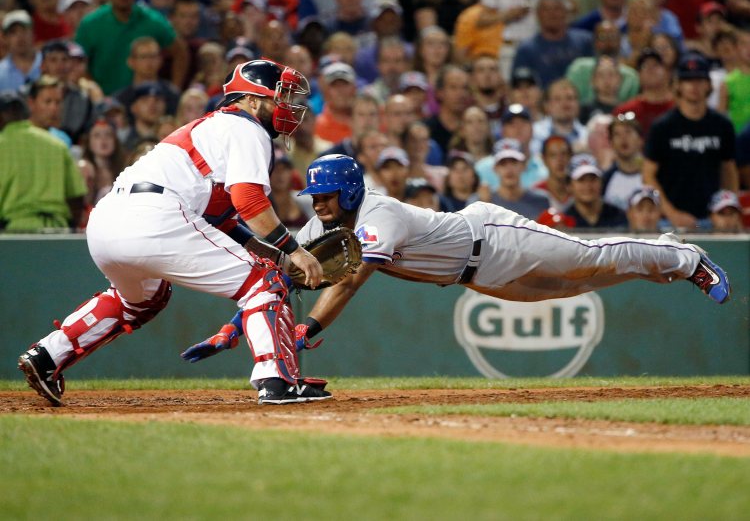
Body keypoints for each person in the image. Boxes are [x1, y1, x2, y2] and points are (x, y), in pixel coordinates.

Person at [187, 153, 732, 367]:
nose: (318, 204)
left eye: (326, 196)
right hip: (476, 276)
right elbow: (287, 274)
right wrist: (234, 327)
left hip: (491, 238)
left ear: (350, 193)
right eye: (315, 198)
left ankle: (684, 258)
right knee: (574, 287)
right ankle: (662, 267)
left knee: (587, 260)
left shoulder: (380, 214)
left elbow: (349, 281)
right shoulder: (321, 227)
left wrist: (305, 327)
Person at [17, 59, 331, 407]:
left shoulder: (213, 129)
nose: (287, 106)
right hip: (157, 215)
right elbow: (248, 198)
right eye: (280, 97)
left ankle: (48, 355)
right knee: (264, 282)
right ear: (253, 101)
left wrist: (277, 253)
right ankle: (277, 382)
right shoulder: (246, 128)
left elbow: (219, 220)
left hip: (108, 216)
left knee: (140, 300)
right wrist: (293, 250)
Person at [643, 54, 739, 229]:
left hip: (712, 218)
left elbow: (729, 170)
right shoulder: (663, 127)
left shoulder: (722, 125)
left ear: (708, 84)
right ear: (678, 84)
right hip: (670, 221)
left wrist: (727, 208)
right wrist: (671, 213)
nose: (694, 86)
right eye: (688, 81)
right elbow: (648, 175)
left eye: (699, 80)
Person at [0, 90, 87, 232]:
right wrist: (71, 226)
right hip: (57, 230)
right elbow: (76, 196)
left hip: (13, 233)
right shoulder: (56, 144)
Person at [484, 139, 550, 219]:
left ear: (524, 166)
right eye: (503, 163)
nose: (509, 169)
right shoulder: (484, 201)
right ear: (495, 169)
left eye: (513, 162)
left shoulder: (541, 200)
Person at [564, 153, 628, 229]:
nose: (588, 186)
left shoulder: (618, 216)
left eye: (592, 179)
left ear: (601, 182)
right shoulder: (564, 221)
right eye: (581, 180)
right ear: (569, 186)